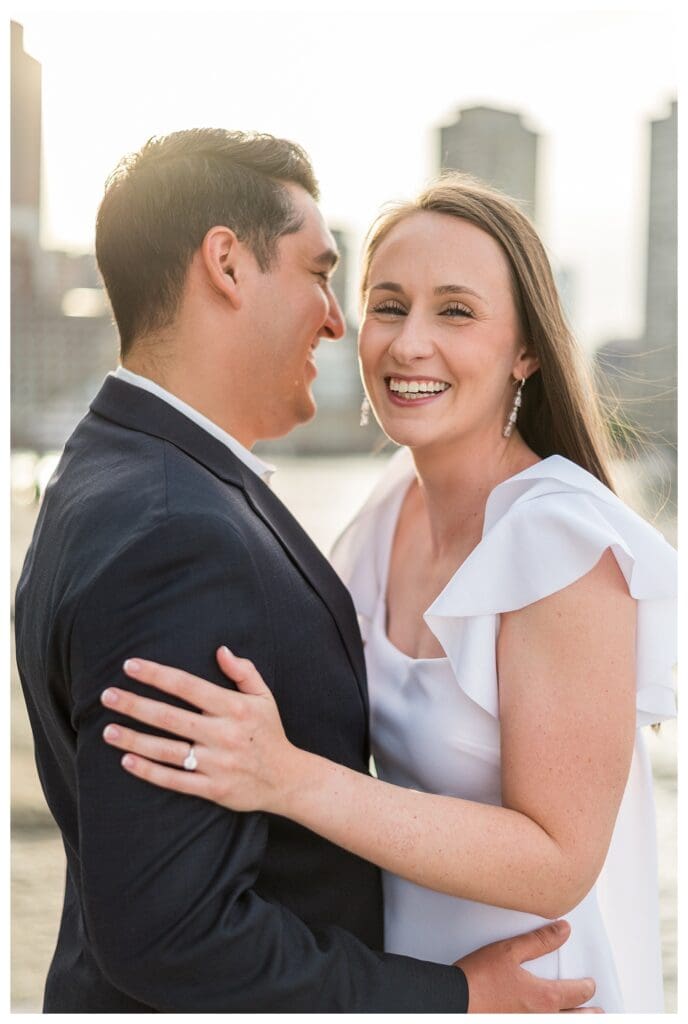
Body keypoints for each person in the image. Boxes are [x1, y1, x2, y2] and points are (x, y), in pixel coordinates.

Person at [13, 132, 600, 1013]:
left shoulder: (114, 471)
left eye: (455, 311)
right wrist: (450, 1000)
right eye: (326, 275)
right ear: (227, 265)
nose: (339, 320)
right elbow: (172, 938)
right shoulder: (179, 535)